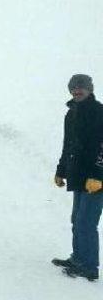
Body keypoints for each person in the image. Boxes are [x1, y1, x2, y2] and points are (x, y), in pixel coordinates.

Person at [52, 74, 103, 281]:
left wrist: (98, 175)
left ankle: (89, 267)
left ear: (89, 89)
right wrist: (60, 170)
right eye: (73, 88)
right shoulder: (71, 114)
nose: (77, 90)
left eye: (81, 87)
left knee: (86, 222)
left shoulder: (99, 112)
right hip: (78, 175)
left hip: (96, 178)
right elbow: (69, 145)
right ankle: (78, 258)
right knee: (77, 219)